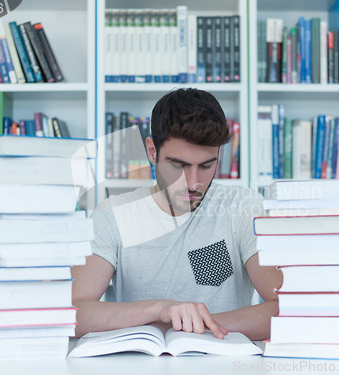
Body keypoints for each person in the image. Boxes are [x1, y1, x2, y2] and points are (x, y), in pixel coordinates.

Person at [72, 88, 282, 341]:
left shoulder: (243, 208)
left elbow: (290, 307)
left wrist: (196, 326)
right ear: (152, 151)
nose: (192, 183)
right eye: (178, 165)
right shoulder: (113, 214)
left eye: (206, 165)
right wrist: (159, 310)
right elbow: (72, 312)